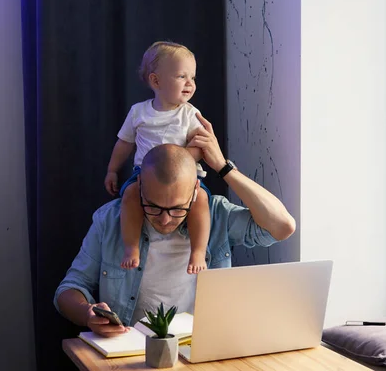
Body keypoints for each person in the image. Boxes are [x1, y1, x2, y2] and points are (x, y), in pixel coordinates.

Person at [55, 114, 296, 337]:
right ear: (138, 185)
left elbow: (282, 226)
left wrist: (224, 168)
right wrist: (87, 314)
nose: (165, 219)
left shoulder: (216, 214)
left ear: (195, 192)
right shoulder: (109, 220)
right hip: (134, 353)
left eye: (178, 209)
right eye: (153, 206)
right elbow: (69, 289)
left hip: (203, 348)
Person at [105, 41, 210, 274]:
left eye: (192, 77)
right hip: (144, 175)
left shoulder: (190, 114)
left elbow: (201, 147)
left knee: (200, 199)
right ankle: (131, 247)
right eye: (182, 76)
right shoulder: (139, 112)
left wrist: (179, 160)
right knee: (131, 195)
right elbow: (124, 144)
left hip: (183, 179)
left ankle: (198, 251)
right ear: (156, 81)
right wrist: (112, 169)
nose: (190, 83)